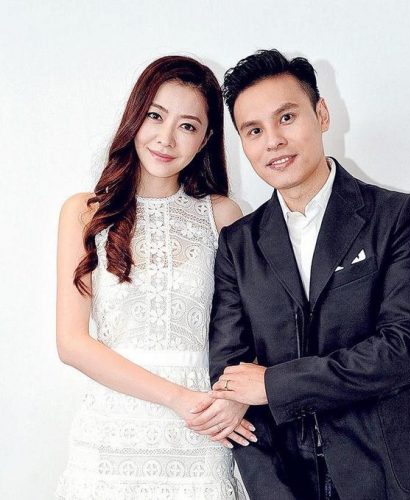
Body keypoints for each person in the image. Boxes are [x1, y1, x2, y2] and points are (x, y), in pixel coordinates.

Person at [206, 50, 410, 499]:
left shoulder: (396, 216)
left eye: (286, 117)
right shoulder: (237, 244)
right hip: (284, 481)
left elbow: (407, 348)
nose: (273, 141)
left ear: (321, 114)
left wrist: (274, 385)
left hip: (387, 478)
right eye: (254, 131)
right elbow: (231, 382)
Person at [55, 55, 252, 499]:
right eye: (155, 116)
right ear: (135, 117)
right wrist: (177, 398)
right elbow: (72, 343)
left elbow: (251, 331)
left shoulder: (223, 215)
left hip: (202, 429)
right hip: (112, 432)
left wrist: (236, 396)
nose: (166, 138)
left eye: (188, 125)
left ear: (205, 139)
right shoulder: (85, 213)